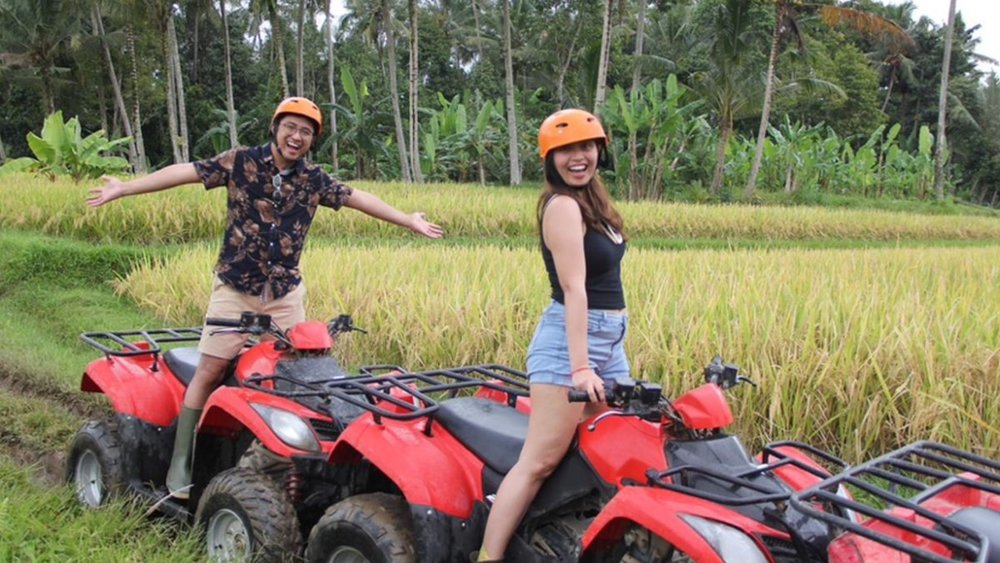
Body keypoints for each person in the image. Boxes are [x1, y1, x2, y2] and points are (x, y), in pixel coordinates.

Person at [87, 97, 444, 499]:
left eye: (306, 132)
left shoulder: (313, 180)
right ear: (275, 128)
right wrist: (125, 187)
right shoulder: (241, 161)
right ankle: (181, 468)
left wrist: (407, 219)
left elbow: (358, 198)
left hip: (285, 296)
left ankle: (278, 466)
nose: (297, 137)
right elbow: (184, 172)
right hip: (235, 289)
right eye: (290, 127)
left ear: (312, 140)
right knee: (210, 371)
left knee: (294, 379)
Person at [475, 109, 628, 561]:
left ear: (600, 150)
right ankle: (489, 555)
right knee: (539, 460)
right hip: (568, 344)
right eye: (565, 150)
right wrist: (580, 367)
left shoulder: (594, 202)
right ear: (550, 158)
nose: (577, 158)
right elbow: (574, 289)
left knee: (613, 444)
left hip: (607, 340)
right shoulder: (562, 206)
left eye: (586, 147)